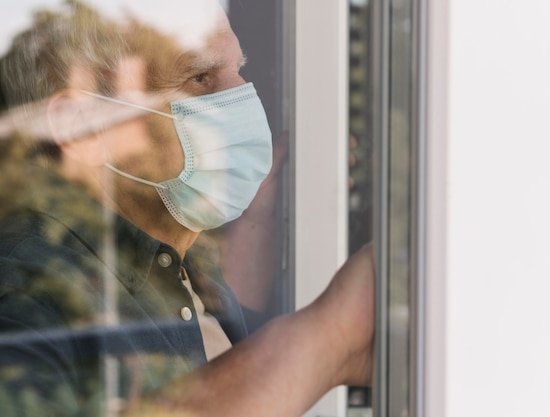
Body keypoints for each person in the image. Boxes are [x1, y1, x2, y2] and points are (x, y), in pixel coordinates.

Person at [0, 1, 375, 416]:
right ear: (80, 124)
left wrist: (261, 215)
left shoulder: (181, 261)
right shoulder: (29, 299)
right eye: (200, 78)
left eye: (239, 70)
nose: (244, 100)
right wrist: (331, 339)